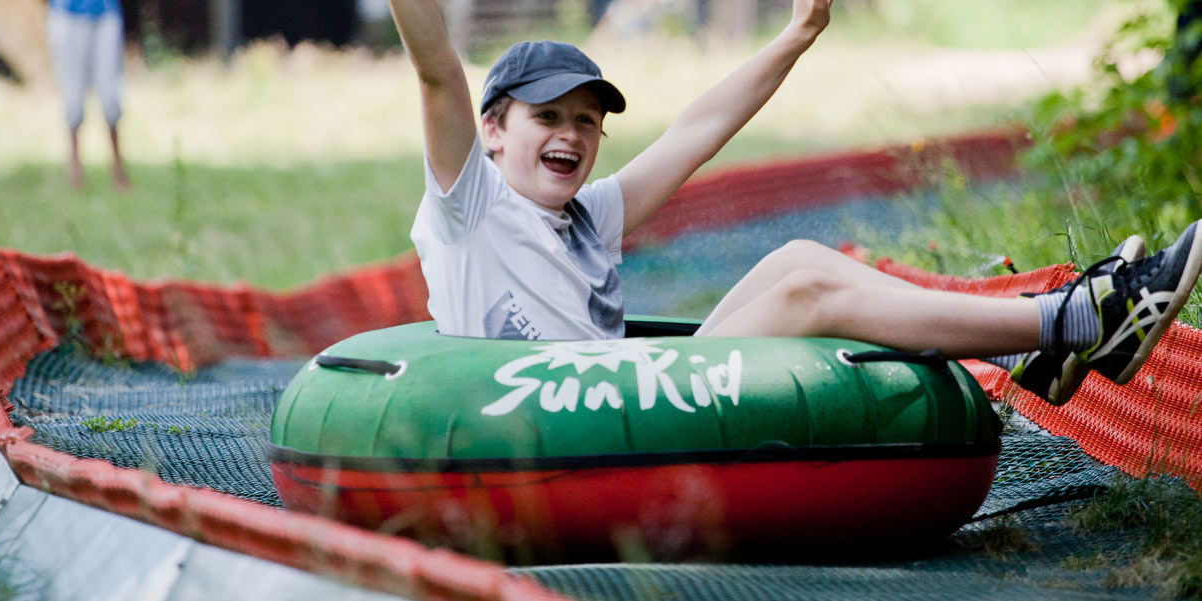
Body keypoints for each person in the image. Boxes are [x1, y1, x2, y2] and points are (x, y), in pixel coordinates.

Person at [389, 0, 1202, 407]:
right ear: (493, 132)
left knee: (803, 261)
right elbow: (435, 71)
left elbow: (700, 128)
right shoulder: (473, 209)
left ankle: (1037, 346)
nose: (571, 135)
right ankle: (1078, 318)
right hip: (540, 415)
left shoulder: (586, 214)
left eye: (586, 122)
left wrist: (799, 31)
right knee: (806, 295)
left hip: (619, 403)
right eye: (547, 118)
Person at [47, 0, 129, 190]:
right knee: (72, 96)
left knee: (111, 96)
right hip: (67, 14)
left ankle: (118, 167)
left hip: (106, 12)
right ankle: (75, 169)